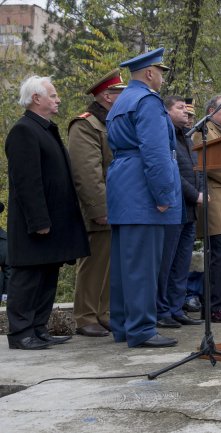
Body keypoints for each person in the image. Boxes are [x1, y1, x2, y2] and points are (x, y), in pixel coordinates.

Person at [5, 75, 90, 349]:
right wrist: (39, 220)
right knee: (28, 278)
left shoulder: (44, 128)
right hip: (36, 223)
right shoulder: (23, 131)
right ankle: (20, 333)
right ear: (36, 99)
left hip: (54, 222)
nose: (58, 99)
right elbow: (27, 182)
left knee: (47, 276)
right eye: (52, 95)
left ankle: (39, 328)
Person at [107, 48, 182, 347]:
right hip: (143, 190)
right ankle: (141, 329)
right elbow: (155, 153)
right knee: (143, 264)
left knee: (125, 264)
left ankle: (123, 326)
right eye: (160, 71)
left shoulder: (121, 100)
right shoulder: (148, 101)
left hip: (123, 186)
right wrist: (164, 194)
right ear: (150, 73)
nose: (162, 77)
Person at [67, 68, 125, 338]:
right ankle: (85, 316)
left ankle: (102, 313)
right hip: (99, 207)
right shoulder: (85, 125)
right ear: (107, 96)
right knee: (93, 263)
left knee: (108, 264)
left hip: (117, 204)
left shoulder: (111, 122)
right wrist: (100, 209)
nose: (123, 97)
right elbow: (86, 173)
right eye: (118, 92)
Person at [155, 95, 204, 328]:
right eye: (180, 108)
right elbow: (173, 172)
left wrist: (200, 192)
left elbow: (197, 170)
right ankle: (161, 309)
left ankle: (176, 308)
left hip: (190, 211)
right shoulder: (165, 136)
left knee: (182, 263)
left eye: (187, 109)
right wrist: (195, 195)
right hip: (175, 208)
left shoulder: (188, 138)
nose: (186, 112)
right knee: (167, 262)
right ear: (167, 111)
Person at [192, 95, 221, 322]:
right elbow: (212, 166)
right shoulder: (204, 131)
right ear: (211, 110)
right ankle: (213, 307)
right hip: (216, 201)